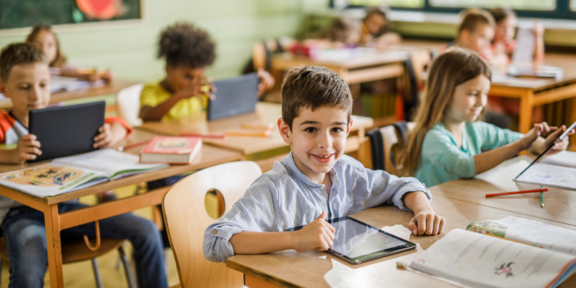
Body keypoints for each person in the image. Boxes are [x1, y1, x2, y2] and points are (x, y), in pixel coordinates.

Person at [203, 65, 445, 263]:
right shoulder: (274, 190)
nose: (325, 143)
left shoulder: (350, 172)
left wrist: (423, 209)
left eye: (336, 129)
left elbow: (403, 185)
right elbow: (215, 240)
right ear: (286, 131)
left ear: (348, 130)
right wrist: (294, 240)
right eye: (311, 129)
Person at [0, 43, 167, 288]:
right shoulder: (4, 124)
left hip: (69, 208)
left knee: (147, 230)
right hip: (23, 216)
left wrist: (113, 132)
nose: (36, 95)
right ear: (4, 89)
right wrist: (10, 154)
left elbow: (118, 121)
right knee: (28, 271)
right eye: (25, 87)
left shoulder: (61, 117)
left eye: (43, 85)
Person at [400, 48, 572, 188]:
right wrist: (520, 145)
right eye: (473, 93)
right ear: (443, 93)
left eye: (485, 94)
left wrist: (545, 145)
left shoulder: (473, 128)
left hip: (459, 205)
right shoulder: (432, 136)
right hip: (430, 217)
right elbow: (464, 166)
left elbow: (521, 139)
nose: (482, 102)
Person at [139, 22, 274, 122]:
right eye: (187, 77)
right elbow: (145, 115)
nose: (193, 83)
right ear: (169, 69)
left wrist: (256, 88)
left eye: (198, 77)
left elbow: (228, 107)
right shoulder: (152, 89)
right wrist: (178, 96)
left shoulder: (202, 90)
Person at [26, 24, 112, 82]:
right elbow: (56, 73)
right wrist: (85, 77)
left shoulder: (62, 67)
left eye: (50, 45)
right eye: (37, 44)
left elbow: (78, 70)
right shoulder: (26, 71)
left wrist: (102, 75)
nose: (44, 49)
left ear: (56, 52)